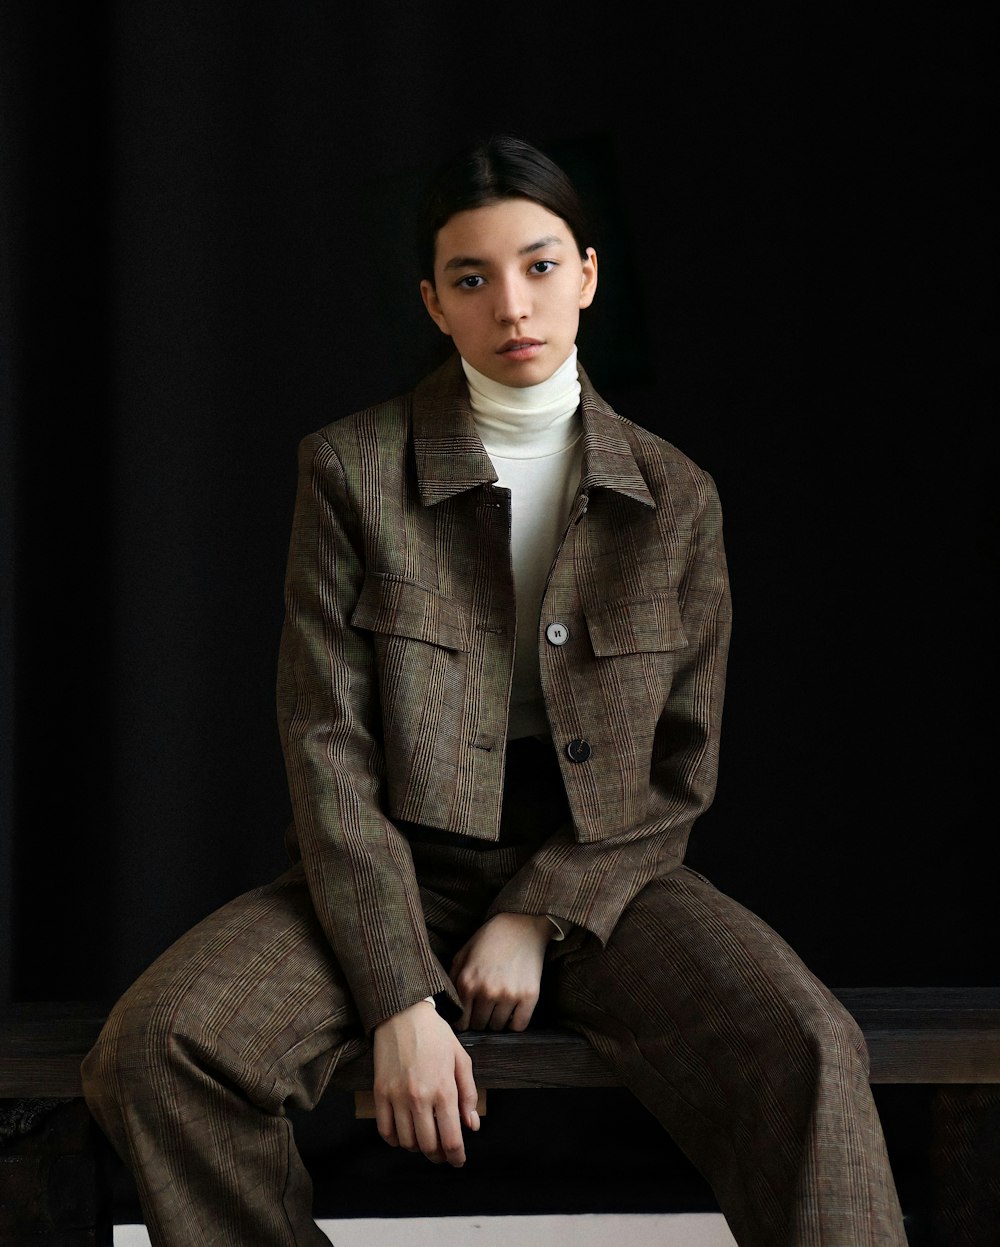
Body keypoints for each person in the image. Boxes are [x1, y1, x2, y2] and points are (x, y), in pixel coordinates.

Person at [82, 132, 907, 1247]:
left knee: (808, 1042)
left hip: (609, 875)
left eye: (539, 264)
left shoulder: (675, 494)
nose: (511, 304)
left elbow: (680, 764)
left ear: (588, 275)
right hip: (390, 863)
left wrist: (537, 908)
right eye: (472, 278)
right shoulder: (350, 469)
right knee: (158, 1049)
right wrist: (396, 995)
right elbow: (326, 748)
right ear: (434, 302)